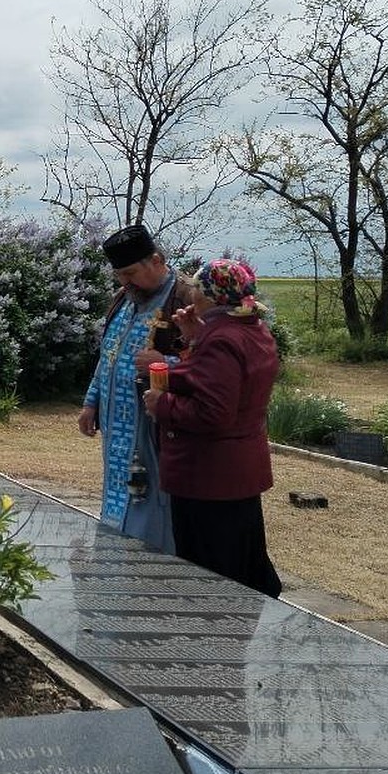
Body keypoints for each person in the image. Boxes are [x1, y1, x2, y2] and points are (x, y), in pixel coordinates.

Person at [143, 258, 283, 597]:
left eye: (195, 290)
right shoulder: (253, 330)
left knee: (212, 568)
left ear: (210, 295)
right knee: (240, 557)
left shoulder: (222, 339)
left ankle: (217, 634)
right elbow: (215, 382)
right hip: (237, 473)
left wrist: (161, 404)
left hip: (209, 476)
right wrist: (192, 340)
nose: (190, 297)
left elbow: (214, 412)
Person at [78, 223, 188, 552]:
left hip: (154, 428)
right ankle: (114, 561)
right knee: (120, 490)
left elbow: (210, 366)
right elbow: (108, 355)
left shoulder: (182, 298)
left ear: (156, 260)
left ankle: (153, 568)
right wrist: (91, 401)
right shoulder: (125, 298)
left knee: (152, 498)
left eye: (131, 273)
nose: (125, 282)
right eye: (119, 276)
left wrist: (164, 364)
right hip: (116, 426)